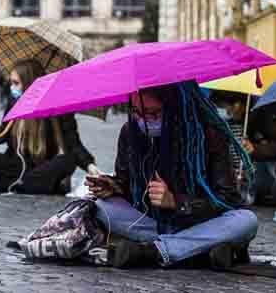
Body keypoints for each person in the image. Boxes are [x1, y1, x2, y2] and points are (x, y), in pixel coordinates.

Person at [87, 82, 258, 269]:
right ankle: (198, 253)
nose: (144, 119)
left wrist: (176, 201)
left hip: (202, 224)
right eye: (136, 111)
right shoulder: (131, 132)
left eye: (154, 113)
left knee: (246, 221)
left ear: (174, 107)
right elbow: (130, 189)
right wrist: (113, 187)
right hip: (154, 224)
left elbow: (227, 199)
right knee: (101, 207)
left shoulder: (208, 133)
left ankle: (154, 251)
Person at [0, 59, 99, 195]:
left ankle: (11, 183)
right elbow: (5, 133)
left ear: (29, 83)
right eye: (11, 83)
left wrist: (89, 164)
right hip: (18, 162)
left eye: (16, 83)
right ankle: (39, 184)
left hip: (45, 163)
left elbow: (72, 142)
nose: (12, 88)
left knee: (67, 161)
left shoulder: (57, 107)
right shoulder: (14, 103)